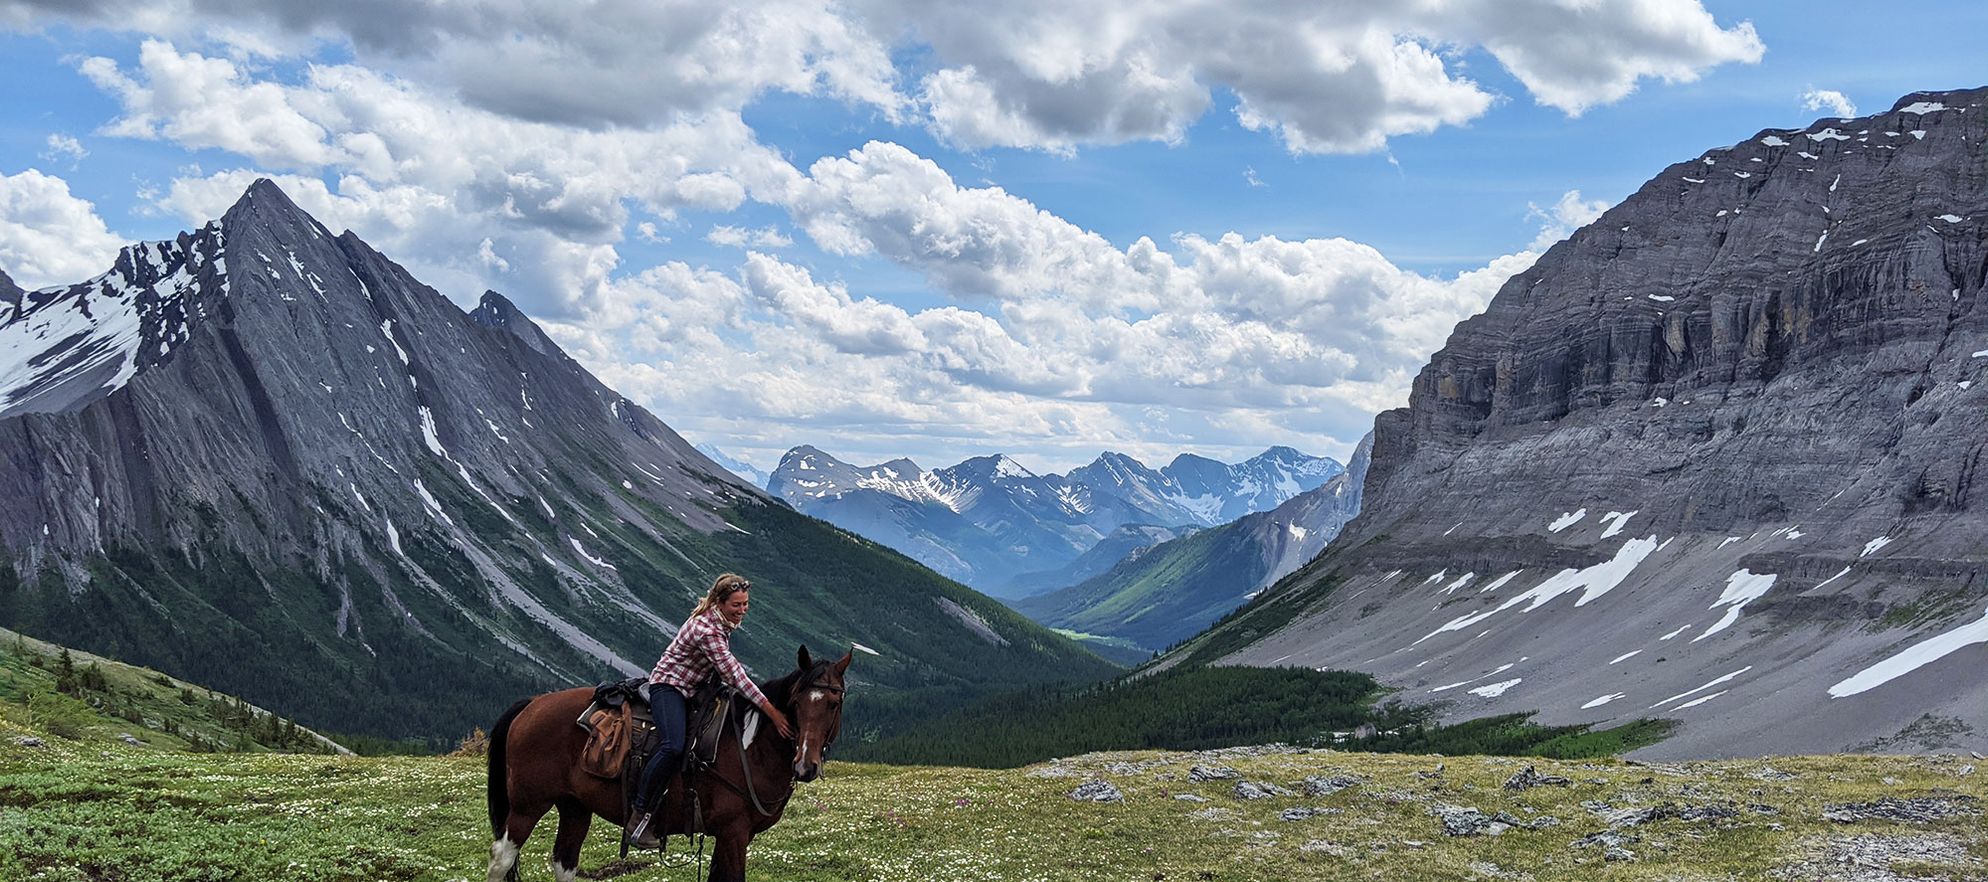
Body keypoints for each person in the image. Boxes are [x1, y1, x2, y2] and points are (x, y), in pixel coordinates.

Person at [626, 573, 793, 848]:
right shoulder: (708, 629)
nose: (742, 611)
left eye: (745, 604)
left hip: (694, 688)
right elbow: (734, 674)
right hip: (669, 687)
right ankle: (640, 812)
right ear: (719, 602)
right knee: (672, 745)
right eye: (736, 605)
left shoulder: (721, 621)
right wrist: (771, 711)